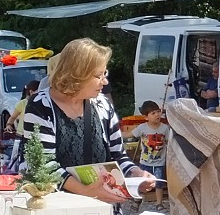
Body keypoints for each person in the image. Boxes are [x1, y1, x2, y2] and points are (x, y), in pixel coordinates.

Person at [19, 38, 155, 204]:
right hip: (59, 208)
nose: (104, 82)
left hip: (104, 208)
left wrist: (135, 173)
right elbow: (43, 164)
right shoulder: (41, 106)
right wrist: (87, 192)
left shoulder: (103, 104)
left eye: (105, 74)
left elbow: (118, 156)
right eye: (98, 76)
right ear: (76, 75)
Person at [130, 100, 170, 209]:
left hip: (159, 162)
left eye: (158, 111)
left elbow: (169, 142)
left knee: (159, 184)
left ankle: (159, 203)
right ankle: (137, 200)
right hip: (145, 161)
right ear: (146, 117)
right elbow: (130, 134)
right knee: (142, 182)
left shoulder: (165, 128)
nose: (157, 114)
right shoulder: (142, 128)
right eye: (153, 113)